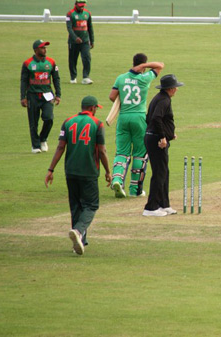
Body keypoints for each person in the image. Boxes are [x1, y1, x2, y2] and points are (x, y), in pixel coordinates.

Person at [45, 96, 112, 255]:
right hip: (88, 172)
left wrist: (51, 170)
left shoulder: (68, 122)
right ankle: (79, 231)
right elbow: (102, 150)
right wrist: (108, 172)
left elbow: (61, 147)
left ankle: (79, 243)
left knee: (76, 206)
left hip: (71, 172)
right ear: (93, 108)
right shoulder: (97, 124)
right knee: (91, 205)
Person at [108, 54, 164, 198]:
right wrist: (145, 67)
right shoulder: (144, 78)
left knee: (122, 152)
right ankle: (135, 190)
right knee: (140, 153)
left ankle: (117, 180)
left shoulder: (120, 78)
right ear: (143, 65)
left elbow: (112, 96)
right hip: (139, 117)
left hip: (123, 118)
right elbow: (160, 65)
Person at [143, 74, 183, 217]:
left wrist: (169, 134)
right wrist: (162, 137)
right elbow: (155, 118)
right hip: (156, 141)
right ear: (170, 89)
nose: (177, 90)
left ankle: (164, 205)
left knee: (164, 172)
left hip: (154, 138)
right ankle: (150, 207)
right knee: (159, 173)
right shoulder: (163, 100)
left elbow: (149, 118)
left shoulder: (160, 98)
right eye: (175, 87)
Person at [21, 39, 62, 154]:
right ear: (35, 50)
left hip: (47, 95)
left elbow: (56, 79)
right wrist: (23, 97)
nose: (45, 50)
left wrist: (58, 94)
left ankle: (43, 139)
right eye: (42, 48)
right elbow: (23, 81)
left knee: (49, 118)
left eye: (45, 47)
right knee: (33, 122)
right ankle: (35, 146)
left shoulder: (51, 62)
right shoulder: (28, 63)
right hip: (32, 96)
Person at [66, 0, 95, 84]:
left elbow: (90, 27)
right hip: (73, 42)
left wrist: (92, 40)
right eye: (80, 5)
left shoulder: (87, 13)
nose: (82, 7)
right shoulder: (70, 14)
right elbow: (69, 28)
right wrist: (75, 38)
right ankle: (73, 77)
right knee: (73, 59)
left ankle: (86, 77)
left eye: (83, 5)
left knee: (87, 58)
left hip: (85, 41)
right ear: (76, 4)